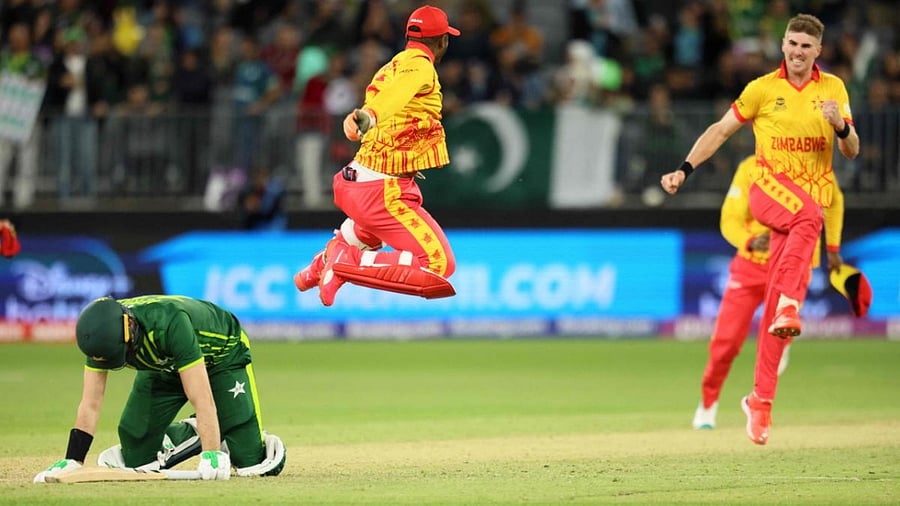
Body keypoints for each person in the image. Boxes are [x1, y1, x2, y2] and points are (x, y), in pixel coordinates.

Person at [660, 13, 859, 445]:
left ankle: (760, 403)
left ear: (818, 51)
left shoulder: (834, 90)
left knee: (778, 326)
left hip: (803, 217)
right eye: (791, 43)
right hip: (768, 190)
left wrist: (841, 125)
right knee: (809, 216)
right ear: (783, 45)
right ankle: (708, 402)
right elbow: (720, 130)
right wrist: (684, 170)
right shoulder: (762, 89)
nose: (797, 51)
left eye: (806, 46)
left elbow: (851, 149)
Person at [293, 5, 459, 307]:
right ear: (443, 41)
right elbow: (394, 99)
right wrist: (369, 115)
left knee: (368, 235)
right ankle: (346, 261)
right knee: (438, 264)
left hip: (361, 178)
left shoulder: (392, 66)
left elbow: (392, 107)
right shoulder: (420, 67)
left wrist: (369, 117)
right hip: (382, 190)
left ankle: (320, 265)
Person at [33, 295, 286, 483]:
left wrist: (211, 455)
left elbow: (201, 395)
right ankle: (198, 430)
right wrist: (73, 459)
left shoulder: (170, 322)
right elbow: (90, 403)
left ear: (129, 330)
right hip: (163, 366)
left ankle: (228, 435)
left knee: (251, 463)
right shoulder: (102, 335)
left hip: (221, 356)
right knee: (136, 448)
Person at [692, 155, 845, 430]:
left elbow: (833, 202)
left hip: (794, 266)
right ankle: (707, 405)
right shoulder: (750, 168)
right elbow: (730, 219)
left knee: (779, 333)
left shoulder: (816, 164)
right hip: (750, 267)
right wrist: (749, 241)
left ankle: (763, 391)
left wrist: (832, 247)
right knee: (724, 345)